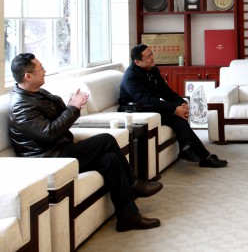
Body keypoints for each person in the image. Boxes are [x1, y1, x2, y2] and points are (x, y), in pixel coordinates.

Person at [8, 53, 162, 232]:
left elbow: (56, 120)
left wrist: (71, 106)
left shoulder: (36, 93)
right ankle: (134, 184)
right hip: (49, 157)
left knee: (110, 159)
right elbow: (49, 133)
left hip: (60, 148)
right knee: (106, 140)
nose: (44, 71)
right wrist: (72, 108)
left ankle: (128, 217)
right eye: (40, 68)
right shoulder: (21, 106)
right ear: (28, 76)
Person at [119, 44, 228, 168]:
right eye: (148, 56)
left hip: (150, 106)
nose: (153, 58)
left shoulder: (152, 69)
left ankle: (189, 150)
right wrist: (174, 109)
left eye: (152, 54)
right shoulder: (131, 77)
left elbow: (166, 92)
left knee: (178, 114)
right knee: (176, 115)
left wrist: (182, 104)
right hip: (137, 111)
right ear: (137, 62)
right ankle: (199, 154)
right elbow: (147, 101)